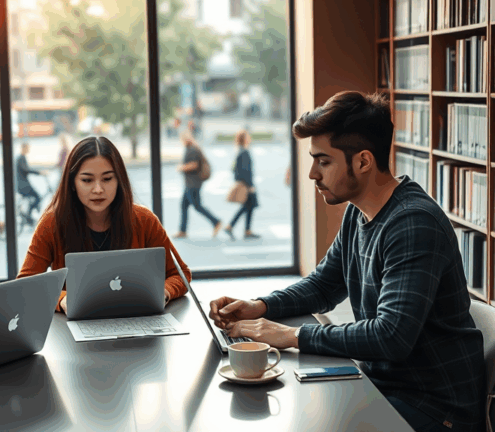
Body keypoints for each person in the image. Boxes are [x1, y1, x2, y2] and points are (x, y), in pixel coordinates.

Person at [208, 91, 485, 432]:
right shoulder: (358, 212)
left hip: (435, 408)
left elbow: (391, 336)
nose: (312, 174)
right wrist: (261, 306)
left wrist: (291, 335)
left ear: (363, 161)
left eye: (323, 162)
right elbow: (324, 284)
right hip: (383, 387)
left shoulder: (414, 223)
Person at [16, 136, 192, 313]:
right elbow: (26, 285)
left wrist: (163, 292)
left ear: (119, 181)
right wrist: (62, 300)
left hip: (136, 322)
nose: (98, 189)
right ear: (72, 184)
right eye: (87, 180)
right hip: (72, 330)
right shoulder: (52, 224)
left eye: (107, 179)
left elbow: (180, 274)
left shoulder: (144, 220)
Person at [174, 130, 222, 239]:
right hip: (190, 184)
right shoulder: (192, 148)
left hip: (193, 184)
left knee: (197, 206)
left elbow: (194, 165)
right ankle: (182, 231)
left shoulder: (192, 150)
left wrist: (181, 167)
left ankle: (216, 221)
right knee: (184, 205)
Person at [224, 129, 260, 240]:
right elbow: (245, 171)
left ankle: (246, 230)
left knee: (248, 206)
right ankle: (231, 226)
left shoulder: (239, 151)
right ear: (244, 139)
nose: (249, 138)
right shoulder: (244, 152)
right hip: (247, 185)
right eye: (247, 136)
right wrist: (250, 185)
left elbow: (234, 169)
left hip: (244, 183)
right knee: (247, 206)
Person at [16, 142, 48, 226]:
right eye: (27, 148)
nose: (28, 150)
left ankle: (27, 215)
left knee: (33, 199)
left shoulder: (20, 158)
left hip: (22, 185)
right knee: (38, 197)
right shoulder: (21, 158)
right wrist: (39, 173)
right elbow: (26, 170)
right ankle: (28, 217)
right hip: (23, 186)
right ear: (23, 148)